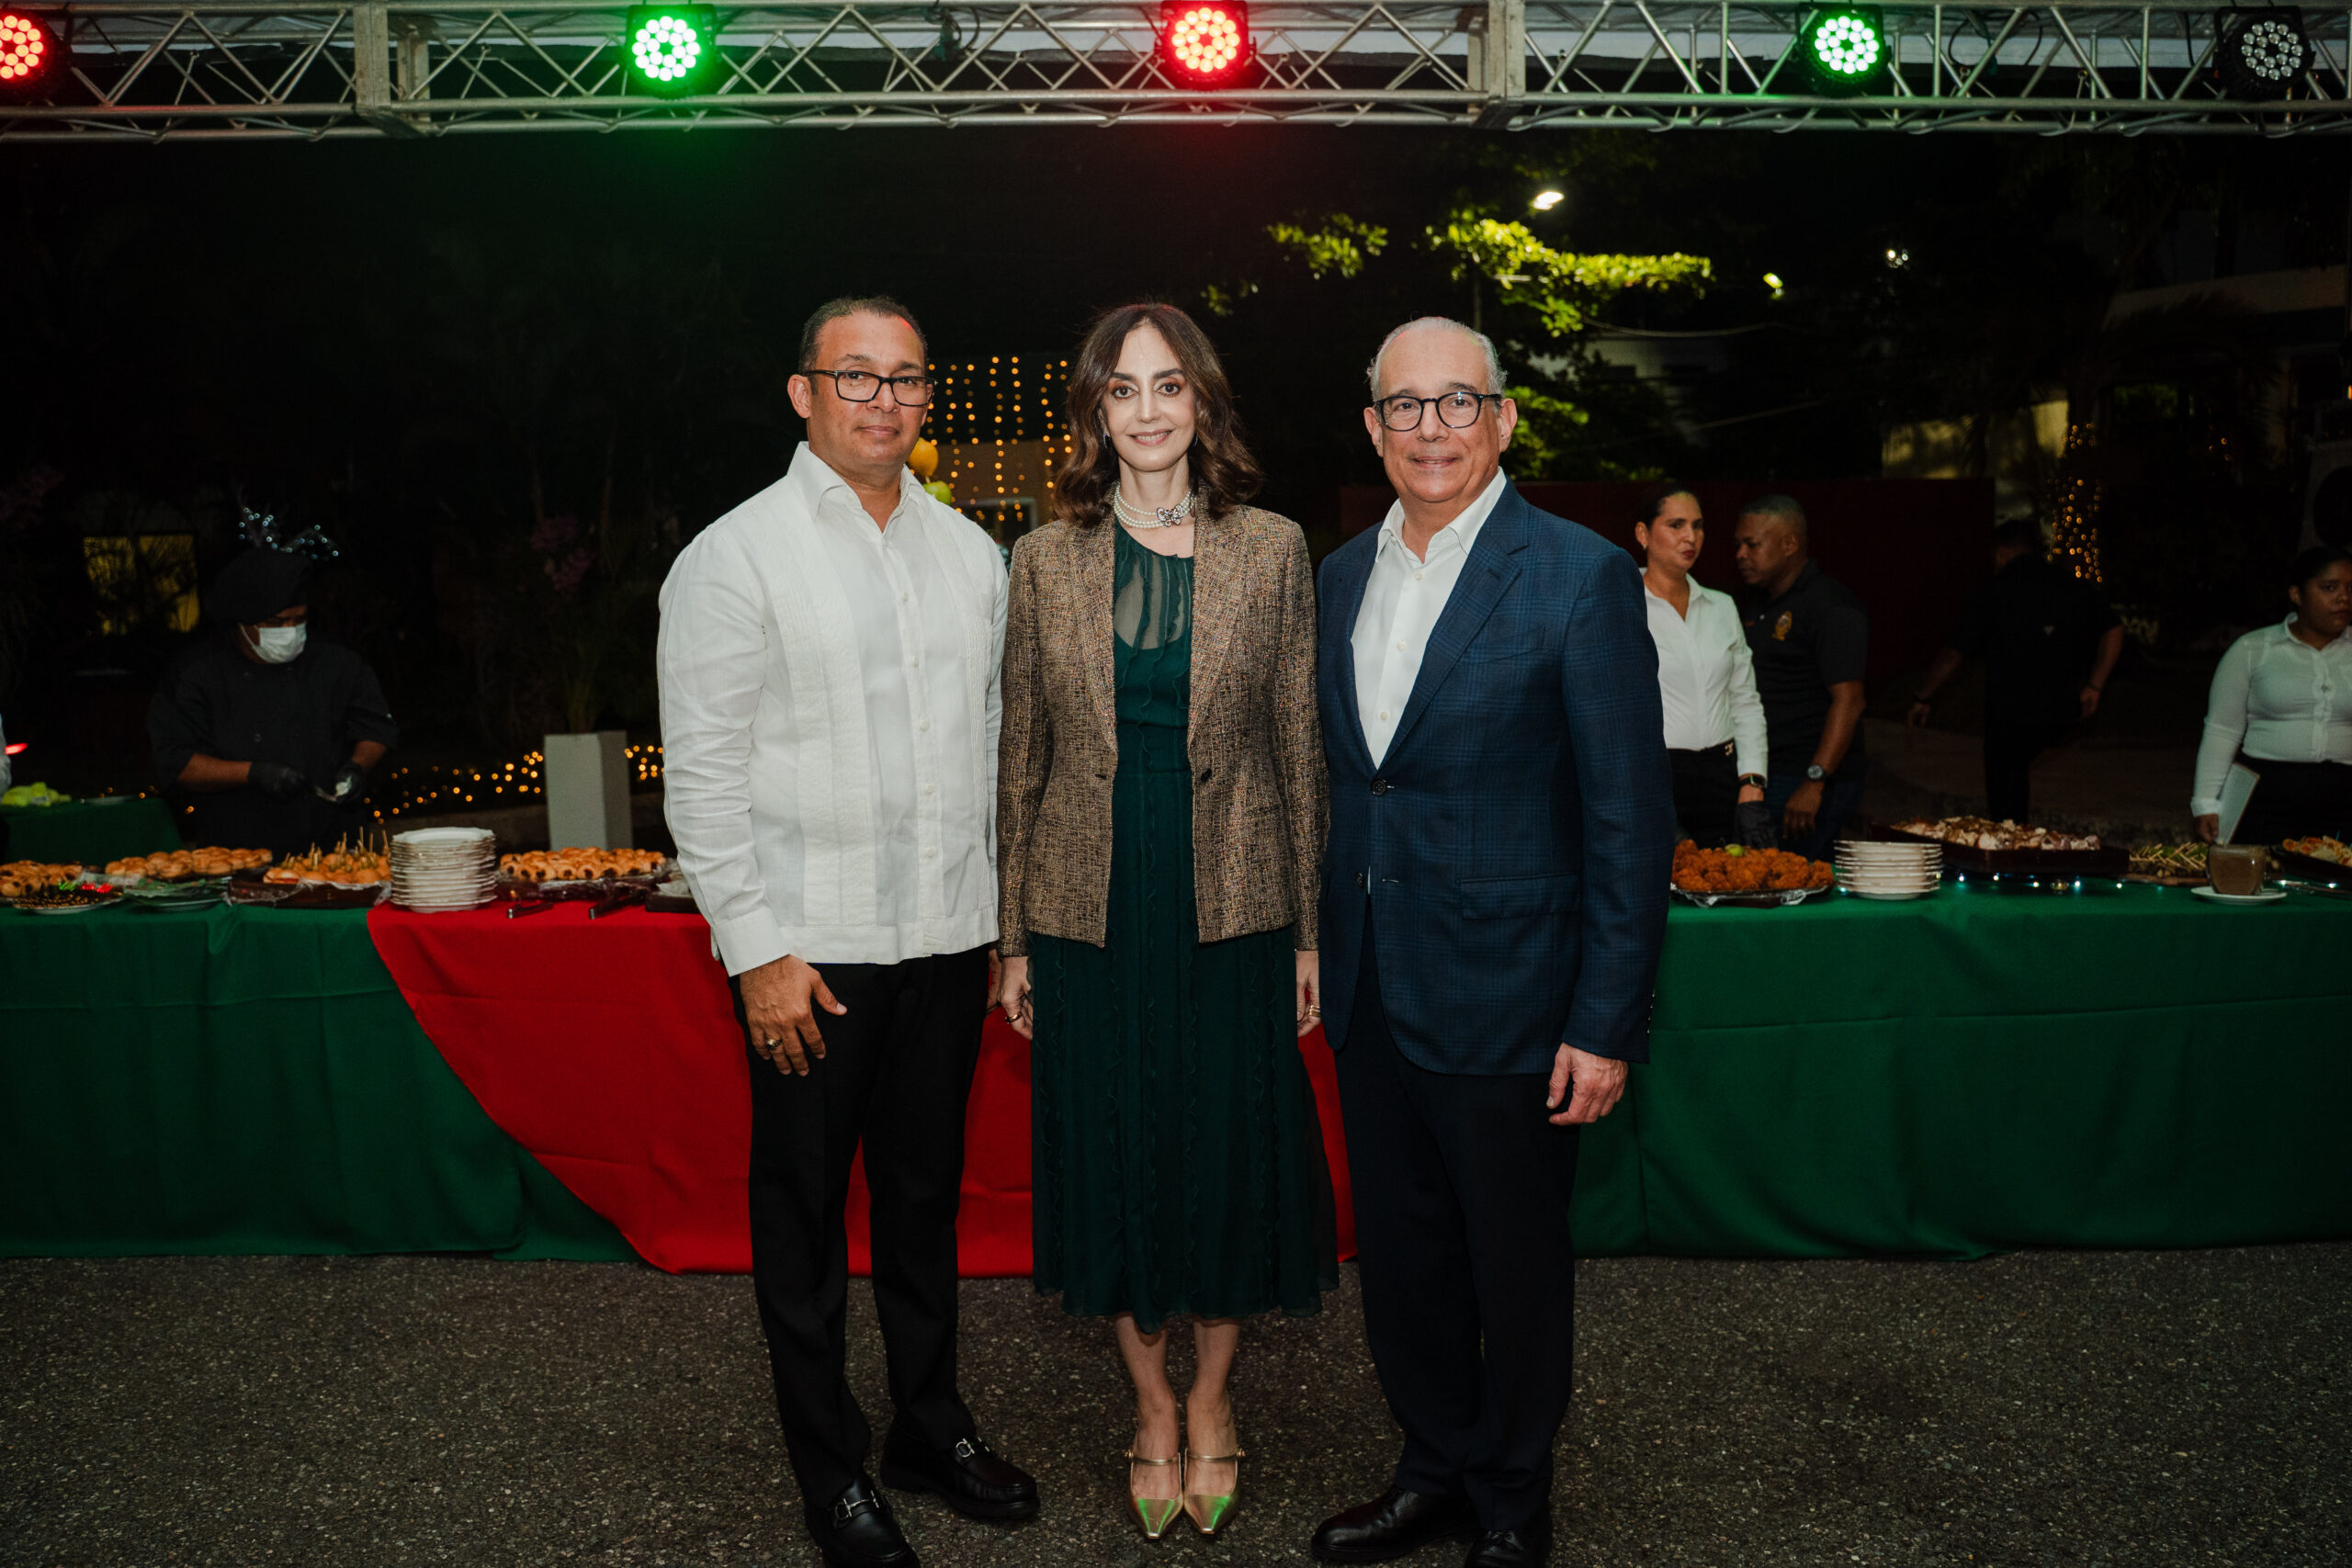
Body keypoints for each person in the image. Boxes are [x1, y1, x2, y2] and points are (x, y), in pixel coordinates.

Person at [656, 296, 1037, 1568]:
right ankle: (831, 1472)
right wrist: (754, 951)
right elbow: (701, 776)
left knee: (925, 1203)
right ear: (803, 392)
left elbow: (991, 750)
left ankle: (931, 1427)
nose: (884, 399)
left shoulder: (971, 555)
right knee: (805, 1222)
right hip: (808, 955)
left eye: (906, 377)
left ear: (928, 396)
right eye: (856, 375)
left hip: (944, 937)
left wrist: (1002, 929)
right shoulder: (735, 557)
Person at [1309, 318, 1672, 1568]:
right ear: (1373, 428)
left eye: (1458, 401)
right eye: (1405, 406)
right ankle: (1432, 1467)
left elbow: (1629, 817)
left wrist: (1603, 1020)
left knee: (1512, 1266)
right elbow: (1351, 784)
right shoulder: (1339, 575)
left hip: (1518, 995)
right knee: (1405, 1261)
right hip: (1371, 985)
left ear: (1505, 419)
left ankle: (1513, 1492)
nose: (1432, 428)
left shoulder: (1578, 575)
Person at [992, 302, 1337, 1542]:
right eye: (1122, 388)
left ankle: (1213, 1397)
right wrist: (1012, 938)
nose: (1147, 410)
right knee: (1117, 1146)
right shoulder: (1044, 557)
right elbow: (1019, 756)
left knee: (1228, 1145)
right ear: (1095, 409)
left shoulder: (1273, 548)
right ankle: (1149, 1408)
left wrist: (1307, 933)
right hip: (1088, 901)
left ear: (1203, 402)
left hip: (1234, 895)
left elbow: (1298, 745)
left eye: (1169, 385)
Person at [147, 526, 396, 860]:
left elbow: (376, 729)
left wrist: (356, 767)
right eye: (276, 623)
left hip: (334, 845)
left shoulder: (337, 660)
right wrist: (254, 774)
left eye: (299, 620)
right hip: (237, 848)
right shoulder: (196, 672)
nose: (290, 632)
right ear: (242, 622)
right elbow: (177, 763)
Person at [1906, 518, 2124, 824]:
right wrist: (2095, 685)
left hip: (2010, 711)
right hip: (2061, 707)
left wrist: (1923, 696)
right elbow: (2114, 629)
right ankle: (2017, 834)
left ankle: (2009, 840)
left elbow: (1953, 654)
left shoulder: (1994, 590)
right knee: (2016, 772)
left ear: (2001, 553)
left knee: (2005, 785)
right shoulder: (2069, 585)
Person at [1634, 481, 1768, 847]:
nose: (1690, 537)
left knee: (1727, 877)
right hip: (1652, 777)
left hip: (1722, 778)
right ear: (1643, 534)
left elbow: (1745, 701)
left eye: (1698, 525)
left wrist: (1752, 781)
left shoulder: (1721, 606)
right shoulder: (1624, 605)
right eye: (1676, 525)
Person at [1733, 495, 1868, 858]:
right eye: (1738, 544)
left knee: (1798, 880)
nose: (1741, 554)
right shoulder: (1760, 603)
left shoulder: (1830, 605)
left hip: (1809, 777)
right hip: (1770, 769)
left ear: (1789, 544)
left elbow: (1850, 701)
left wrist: (1815, 781)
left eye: (1752, 544)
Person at [2189, 545, 2352, 845]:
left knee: (2336, 873)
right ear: (2297, 594)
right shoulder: (2253, 650)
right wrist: (2206, 802)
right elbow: (2222, 730)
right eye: (2329, 588)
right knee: (2263, 870)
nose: (2344, 598)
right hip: (2265, 795)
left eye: (2350, 588)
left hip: (2344, 797)